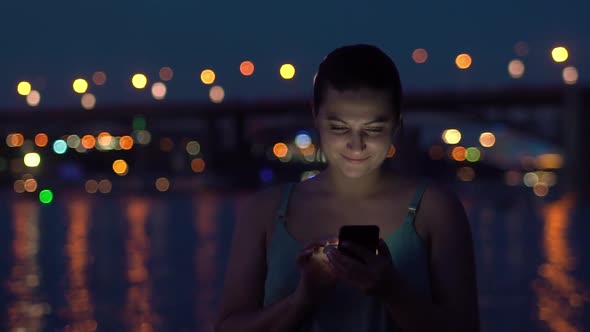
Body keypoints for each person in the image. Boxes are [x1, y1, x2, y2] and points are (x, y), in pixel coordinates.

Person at [214, 44, 480, 332]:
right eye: (339, 127)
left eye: (374, 129)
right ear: (315, 115)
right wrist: (303, 300)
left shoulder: (434, 210)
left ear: (397, 123)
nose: (356, 145)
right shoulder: (264, 212)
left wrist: (392, 290)